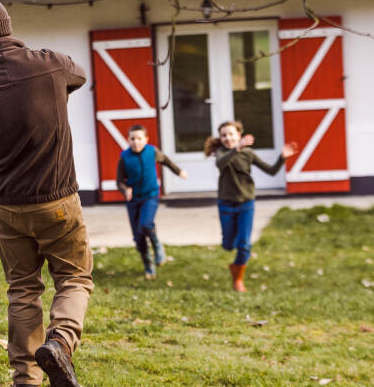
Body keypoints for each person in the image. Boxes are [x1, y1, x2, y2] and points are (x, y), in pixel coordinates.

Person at [0, 0, 93, 387]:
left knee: (22, 289)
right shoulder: (51, 63)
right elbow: (79, 76)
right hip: (57, 201)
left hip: (7, 206)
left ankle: (26, 383)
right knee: (73, 279)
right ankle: (61, 344)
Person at [204, 120, 297, 292]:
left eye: (231, 134)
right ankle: (234, 265)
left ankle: (238, 278)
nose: (227, 138)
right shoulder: (221, 153)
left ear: (239, 135)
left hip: (246, 202)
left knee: (244, 244)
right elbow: (221, 163)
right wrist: (236, 148)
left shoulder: (248, 153)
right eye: (224, 135)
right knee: (228, 245)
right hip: (226, 203)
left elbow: (271, 171)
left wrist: (282, 158)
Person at [116, 124, 188, 279]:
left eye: (139, 138)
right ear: (128, 140)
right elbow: (119, 181)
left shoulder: (152, 151)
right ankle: (148, 264)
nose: (136, 142)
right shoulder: (125, 157)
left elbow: (166, 161)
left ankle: (156, 245)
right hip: (133, 201)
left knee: (146, 224)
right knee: (138, 237)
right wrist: (125, 190)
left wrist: (179, 171)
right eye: (132, 138)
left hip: (150, 196)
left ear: (146, 139)